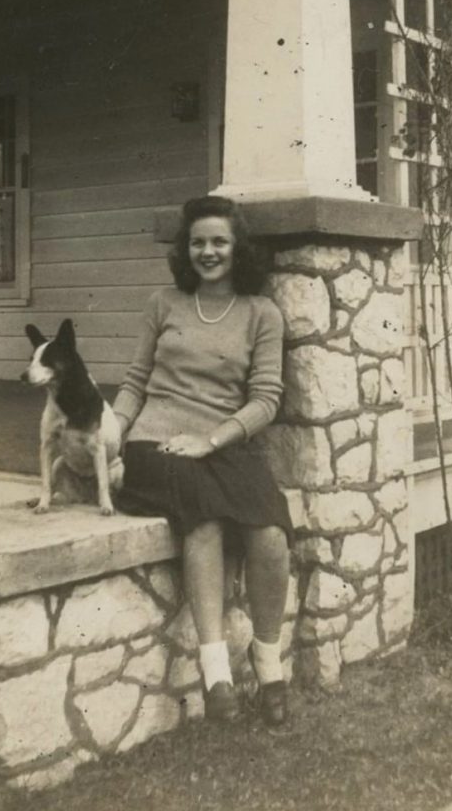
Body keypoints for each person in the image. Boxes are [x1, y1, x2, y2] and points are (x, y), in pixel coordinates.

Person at [112, 195, 293, 727]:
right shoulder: (162, 304)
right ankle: (216, 676)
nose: (207, 252)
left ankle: (268, 666)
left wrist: (211, 439)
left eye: (219, 242)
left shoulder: (262, 313)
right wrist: (112, 431)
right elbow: (135, 381)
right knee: (204, 519)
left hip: (221, 443)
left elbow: (265, 399)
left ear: (238, 249)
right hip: (155, 444)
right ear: (185, 249)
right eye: (198, 242)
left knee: (272, 534)